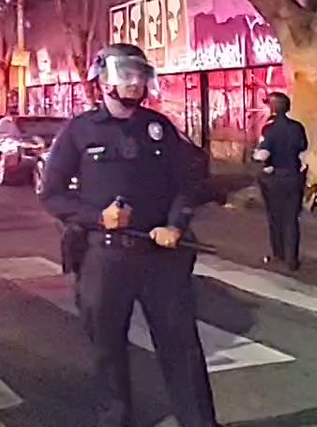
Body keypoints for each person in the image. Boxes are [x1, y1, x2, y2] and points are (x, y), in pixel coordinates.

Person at [40, 44, 216, 427]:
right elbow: (51, 193)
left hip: (160, 256)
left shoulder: (159, 128)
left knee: (182, 347)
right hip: (106, 257)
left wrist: (175, 224)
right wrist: (97, 218)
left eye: (140, 74)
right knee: (108, 352)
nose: (135, 83)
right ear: (102, 80)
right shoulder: (80, 130)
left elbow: (187, 184)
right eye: (126, 74)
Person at [252, 91, 308, 271]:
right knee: (292, 219)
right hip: (294, 177)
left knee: (275, 218)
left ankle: (279, 255)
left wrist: (256, 155)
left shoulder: (270, 129)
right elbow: (303, 146)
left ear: (273, 108)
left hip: (275, 179)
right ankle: (292, 259)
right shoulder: (297, 127)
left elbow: (262, 155)